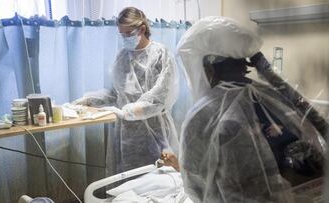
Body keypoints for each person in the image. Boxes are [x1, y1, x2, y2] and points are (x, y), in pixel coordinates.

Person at [177, 16, 325, 203]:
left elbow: (195, 183)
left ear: (206, 67)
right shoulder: (275, 97)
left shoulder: (203, 115)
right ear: (245, 63)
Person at [72, 7, 179, 174]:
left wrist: (128, 112)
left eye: (128, 33)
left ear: (142, 29)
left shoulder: (160, 55)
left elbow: (158, 100)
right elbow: (116, 93)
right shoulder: (122, 57)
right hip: (126, 135)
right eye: (122, 34)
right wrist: (90, 100)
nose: (125, 38)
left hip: (154, 131)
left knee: (157, 184)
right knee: (126, 185)